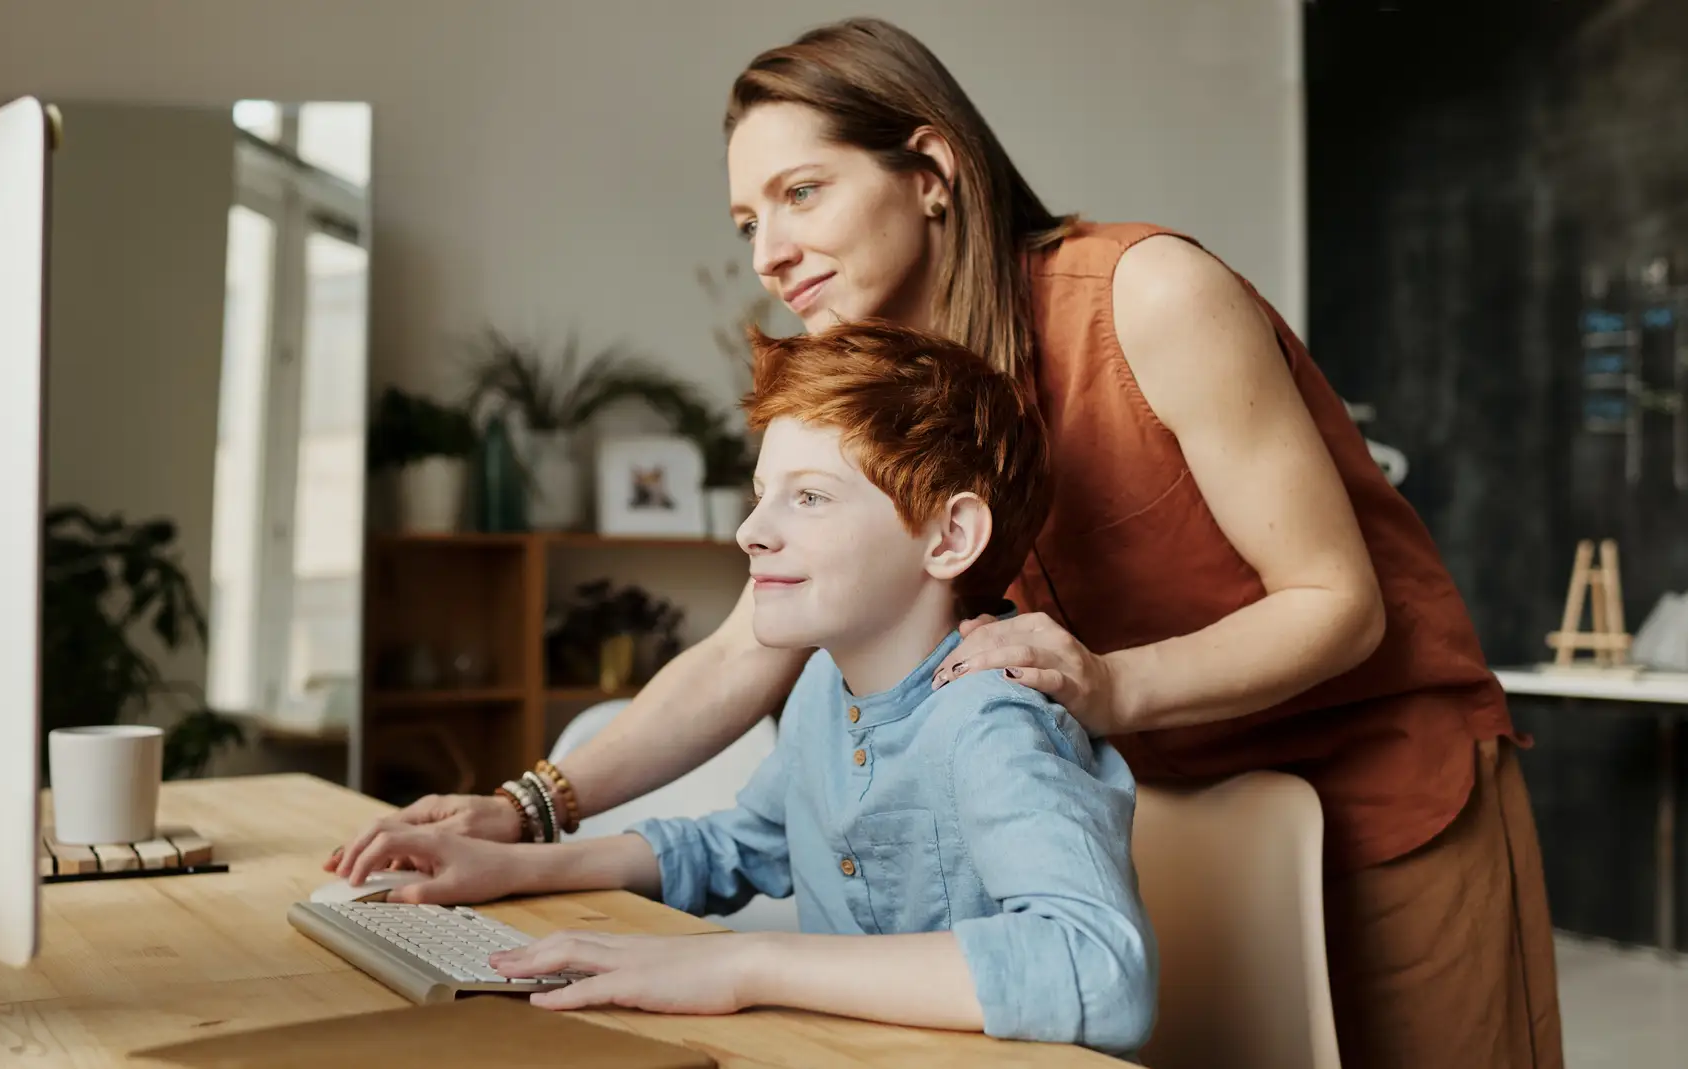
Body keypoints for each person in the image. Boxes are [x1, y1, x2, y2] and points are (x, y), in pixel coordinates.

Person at [338, 17, 1560, 1069]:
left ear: (930, 167)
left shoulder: (1146, 293)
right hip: (1165, 805)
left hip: (1386, 787)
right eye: (746, 217)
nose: (766, 251)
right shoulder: (895, 390)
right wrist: (528, 807)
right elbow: (744, 649)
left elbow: (1335, 601)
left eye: (801, 192)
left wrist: (1109, 682)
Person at [333, 322, 1157, 1052]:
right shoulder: (821, 693)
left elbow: (1100, 966)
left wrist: (745, 962)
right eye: (764, 494)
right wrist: (508, 865)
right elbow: (741, 845)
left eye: (808, 497)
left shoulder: (993, 718)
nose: (751, 530)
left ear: (949, 536)